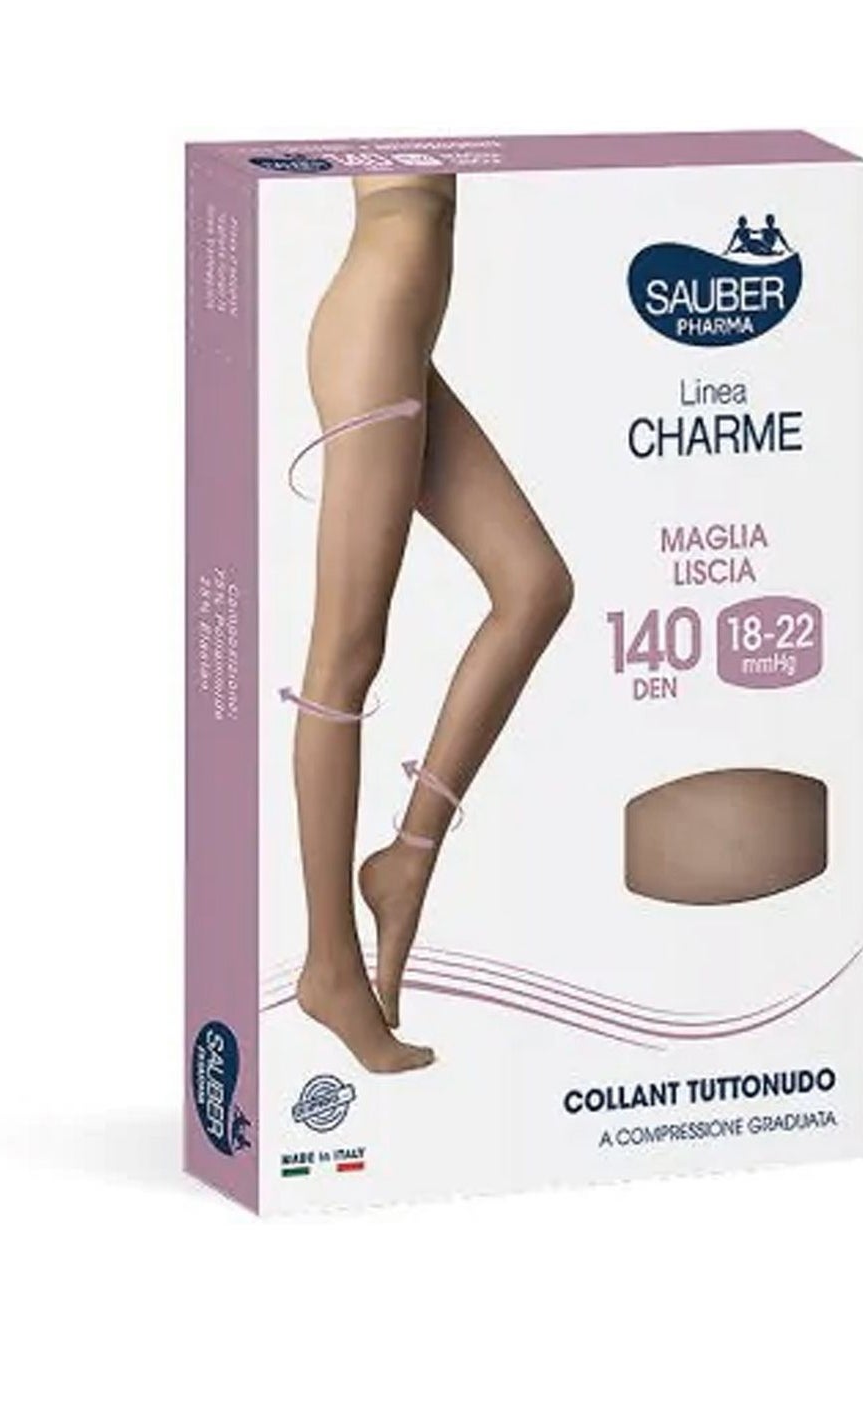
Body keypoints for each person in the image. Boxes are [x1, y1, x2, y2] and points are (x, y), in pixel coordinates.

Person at [285, 174, 573, 1072]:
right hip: (372, 331)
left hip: (401, 335)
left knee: (534, 585)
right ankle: (329, 964)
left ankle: (407, 859)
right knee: (344, 659)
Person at [725, 212, 791, 257]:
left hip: (767, 246)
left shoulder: (776, 230)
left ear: (773, 221)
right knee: (753, 245)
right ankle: (739, 250)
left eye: (771, 220)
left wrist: (788, 248)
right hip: (759, 245)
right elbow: (732, 241)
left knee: (753, 244)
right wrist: (728, 250)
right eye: (768, 221)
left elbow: (783, 240)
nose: (770, 222)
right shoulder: (763, 230)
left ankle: (774, 253)